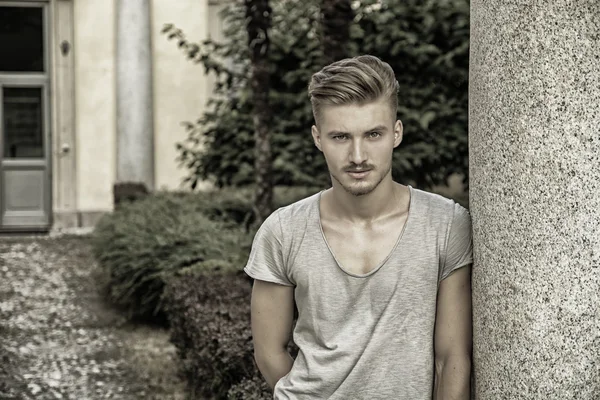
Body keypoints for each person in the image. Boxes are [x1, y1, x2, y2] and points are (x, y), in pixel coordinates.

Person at [244, 55, 473, 399]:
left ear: (396, 133)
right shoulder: (283, 231)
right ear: (317, 137)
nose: (358, 155)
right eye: (340, 137)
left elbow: (451, 358)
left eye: (373, 134)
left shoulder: (445, 224)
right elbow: (269, 352)